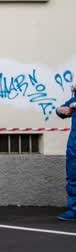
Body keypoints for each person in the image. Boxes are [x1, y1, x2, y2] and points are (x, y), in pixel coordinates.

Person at [55, 86, 76, 221]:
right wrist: (60, 110)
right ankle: (74, 210)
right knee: (73, 178)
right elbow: (62, 110)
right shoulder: (74, 99)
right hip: (74, 146)